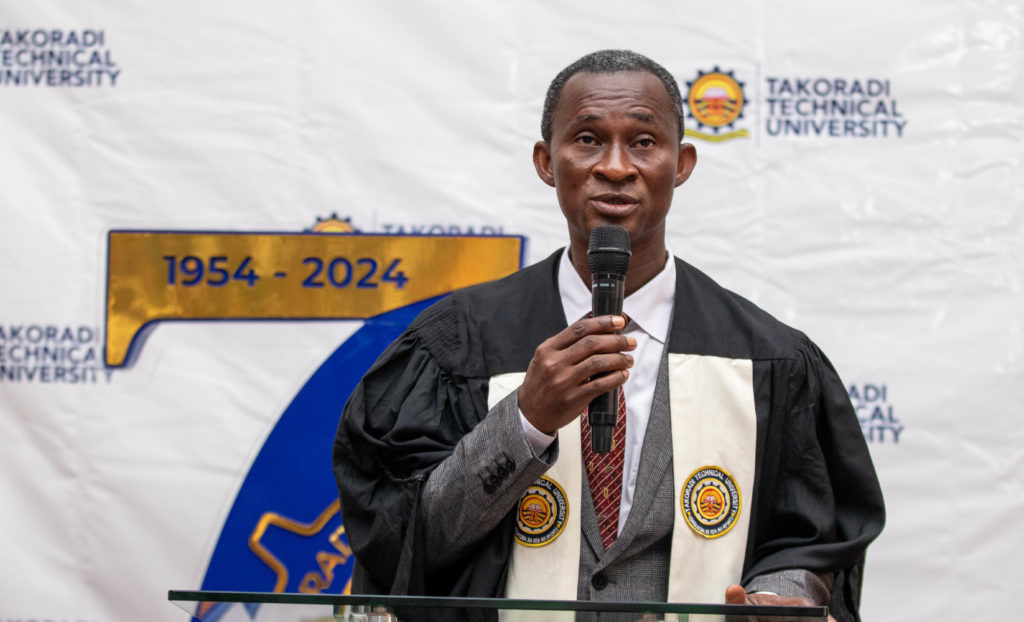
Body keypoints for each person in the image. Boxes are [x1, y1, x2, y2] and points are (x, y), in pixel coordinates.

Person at [333, 50, 884, 622]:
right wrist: (523, 422)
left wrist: (779, 598)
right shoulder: (456, 345)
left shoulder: (768, 358)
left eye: (644, 142)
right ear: (547, 162)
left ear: (682, 164)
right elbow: (402, 540)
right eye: (588, 139)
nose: (616, 167)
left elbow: (808, 541)